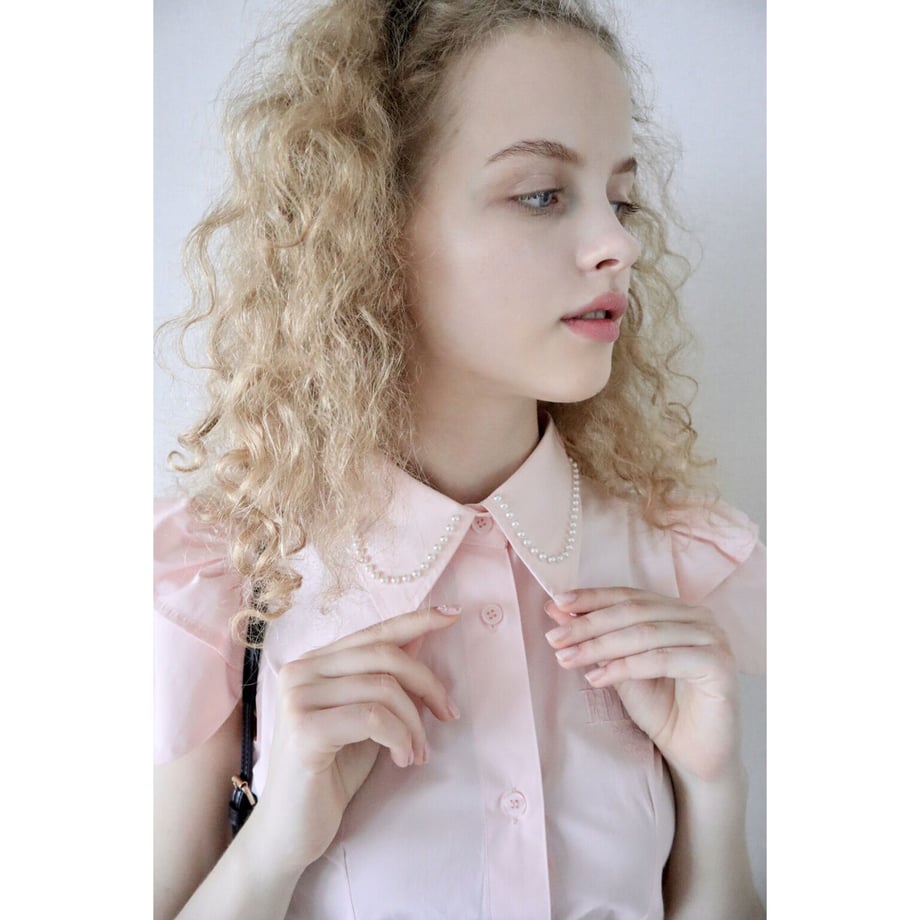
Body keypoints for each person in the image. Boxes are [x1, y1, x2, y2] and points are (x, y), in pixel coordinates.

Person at [154, 0, 766, 917]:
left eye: (621, 198)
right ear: (374, 226)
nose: (620, 243)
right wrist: (276, 845)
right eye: (541, 194)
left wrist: (716, 793)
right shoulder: (222, 585)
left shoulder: (682, 564)